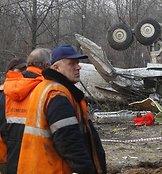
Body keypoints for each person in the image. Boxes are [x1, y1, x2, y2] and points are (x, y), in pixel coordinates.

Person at [17, 44, 107, 174]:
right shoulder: (57, 96)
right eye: (72, 63)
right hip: (52, 169)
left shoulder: (46, 88)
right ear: (56, 67)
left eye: (78, 62)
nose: (78, 66)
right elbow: (69, 142)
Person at [1, 50, 51, 174]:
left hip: (11, 160)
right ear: (47, 66)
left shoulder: (6, 91)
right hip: (40, 162)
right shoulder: (47, 90)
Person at [0, 58, 27, 174]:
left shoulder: (28, 93)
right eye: (20, 69)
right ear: (9, 71)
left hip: (19, 155)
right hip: (5, 155)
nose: (23, 72)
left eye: (25, 69)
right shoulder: (2, 94)